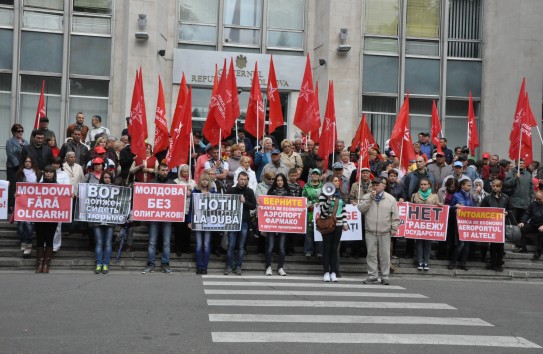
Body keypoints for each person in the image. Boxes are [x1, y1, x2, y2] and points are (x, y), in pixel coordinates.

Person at [357, 177, 400, 285]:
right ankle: (372, 276)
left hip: (384, 231)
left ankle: (385, 276)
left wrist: (394, 228)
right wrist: (370, 199)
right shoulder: (367, 196)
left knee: (384, 255)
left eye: (377, 185)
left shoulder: (390, 199)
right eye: (373, 185)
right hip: (370, 230)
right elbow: (360, 209)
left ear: (383, 186)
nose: (375, 186)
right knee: (371, 255)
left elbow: (395, 215)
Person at [142, 163, 176, 274]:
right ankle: (150, 263)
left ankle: (165, 264)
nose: (165, 172)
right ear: (158, 170)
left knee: (166, 243)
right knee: (152, 242)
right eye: (162, 170)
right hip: (154, 217)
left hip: (167, 218)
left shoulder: (173, 184)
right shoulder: (151, 183)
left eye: (166, 170)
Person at [401, 155, 436, 258]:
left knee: (425, 231)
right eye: (417, 161)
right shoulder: (410, 175)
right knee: (411, 229)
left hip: (426, 206)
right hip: (413, 204)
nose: (418, 163)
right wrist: (405, 198)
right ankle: (410, 252)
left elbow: (433, 189)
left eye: (420, 161)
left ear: (425, 162)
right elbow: (404, 188)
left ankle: (425, 254)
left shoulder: (430, 176)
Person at [318, 175, 349, 282]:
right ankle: (326, 272)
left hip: (339, 224)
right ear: (329, 183)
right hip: (327, 224)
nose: (337, 183)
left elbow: (343, 210)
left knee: (335, 249)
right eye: (335, 181)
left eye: (338, 181)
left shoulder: (340, 195)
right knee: (327, 248)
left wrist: (345, 222)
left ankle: (333, 272)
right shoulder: (323, 195)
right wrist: (328, 200)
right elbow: (323, 212)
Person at [225, 172, 256, 275]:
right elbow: (225, 203)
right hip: (233, 222)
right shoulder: (231, 190)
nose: (243, 181)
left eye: (245, 179)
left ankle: (238, 266)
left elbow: (253, 206)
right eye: (241, 179)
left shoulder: (250, 191)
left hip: (244, 222)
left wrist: (245, 201)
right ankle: (228, 266)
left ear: (247, 180)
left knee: (241, 246)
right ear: (237, 179)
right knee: (231, 245)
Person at [411, 177, 441, 271]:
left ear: (429, 185)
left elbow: (439, 208)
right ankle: (420, 261)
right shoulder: (414, 195)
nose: (423, 186)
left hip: (429, 224)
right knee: (419, 243)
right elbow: (410, 207)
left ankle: (426, 261)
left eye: (425, 184)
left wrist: (440, 205)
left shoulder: (434, 196)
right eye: (421, 184)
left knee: (428, 243)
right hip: (418, 223)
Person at [188, 173, 216, 275]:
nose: (205, 182)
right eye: (203, 180)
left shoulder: (213, 191)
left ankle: (205, 266)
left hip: (208, 221)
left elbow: (219, 203)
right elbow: (191, 208)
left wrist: (212, 196)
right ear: (200, 181)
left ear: (209, 182)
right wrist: (189, 221)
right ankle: (199, 266)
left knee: (206, 244)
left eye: (206, 180)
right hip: (198, 220)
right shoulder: (195, 191)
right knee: (199, 244)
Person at [481, 179, 511, 271]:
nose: (495, 188)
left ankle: (499, 263)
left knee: (500, 246)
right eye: (494, 186)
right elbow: (482, 210)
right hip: (491, 224)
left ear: (501, 187)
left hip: (501, 225)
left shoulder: (506, 197)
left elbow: (510, 209)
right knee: (493, 246)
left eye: (497, 186)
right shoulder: (487, 198)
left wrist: (507, 213)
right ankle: (493, 263)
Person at [264, 173, 291, 276]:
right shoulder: (270, 192)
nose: (280, 182)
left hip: (283, 224)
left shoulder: (288, 193)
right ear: (275, 181)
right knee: (270, 247)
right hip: (272, 223)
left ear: (284, 181)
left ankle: (280, 267)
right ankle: (268, 267)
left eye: (281, 180)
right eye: (278, 180)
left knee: (281, 247)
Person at [33, 165, 58, 273]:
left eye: (50, 172)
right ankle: (40, 262)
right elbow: (30, 197)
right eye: (46, 172)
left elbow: (63, 200)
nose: (48, 173)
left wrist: (69, 195)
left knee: (49, 239)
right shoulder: (38, 186)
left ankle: (46, 263)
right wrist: (19, 195)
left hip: (52, 218)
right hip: (40, 217)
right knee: (39, 239)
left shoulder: (59, 187)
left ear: (54, 173)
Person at [90, 170, 116, 274]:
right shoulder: (95, 189)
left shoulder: (116, 190)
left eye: (109, 178)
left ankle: (105, 264)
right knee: (99, 242)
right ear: (102, 178)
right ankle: (99, 264)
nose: (107, 179)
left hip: (110, 219)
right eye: (105, 177)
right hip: (97, 219)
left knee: (108, 243)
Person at [448, 179, 477, 270]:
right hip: (459, 223)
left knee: (467, 244)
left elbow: (475, 209)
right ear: (462, 186)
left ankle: (463, 263)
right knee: (461, 243)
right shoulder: (456, 196)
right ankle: (453, 262)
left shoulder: (471, 197)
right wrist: (455, 207)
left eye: (470, 186)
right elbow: (449, 208)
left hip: (469, 223)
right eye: (468, 185)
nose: (470, 187)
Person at [505, 159, 534, 247]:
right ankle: (513, 241)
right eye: (519, 163)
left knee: (522, 224)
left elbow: (531, 188)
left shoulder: (528, 174)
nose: (521, 164)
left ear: (525, 164)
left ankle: (521, 242)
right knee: (513, 224)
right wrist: (515, 178)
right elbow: (506, 184)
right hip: (514, 203)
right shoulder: (511, 172)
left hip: (525, 204)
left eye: (523, 163)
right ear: (516, 163)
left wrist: (531, 200)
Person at [16, 157, 40, 257]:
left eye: (30, 161)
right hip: (22, 201)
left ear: (32, 163)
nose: (28, 163)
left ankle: (28, 244)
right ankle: (23, 242)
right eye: (26, 161)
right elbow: (16, 186)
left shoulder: (38, 173)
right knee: (21, 225)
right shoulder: (20, 173)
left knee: (29, 224)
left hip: (33, 201)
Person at [48, 157, 71, 253]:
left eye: (57, 163)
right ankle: (47, 243)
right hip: (47, 203)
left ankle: (56, 245)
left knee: (57, 226)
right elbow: (40, 185)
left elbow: (67, 187)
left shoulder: (64, 174)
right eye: (53, 163)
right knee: (46, 226)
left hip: (59, 203)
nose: (55, 165)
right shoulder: (47, 172)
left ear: (60, 164)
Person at [173, 164, 196, 256]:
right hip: (179, 210)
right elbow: (174, 196)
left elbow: (197, 195)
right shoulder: (176, 182)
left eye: (187, 171)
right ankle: (178, 248)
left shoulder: (193, 182)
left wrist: (192, 191)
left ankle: (186, 247)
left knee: (187, 230)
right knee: (179, 230)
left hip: (189, 210)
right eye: (184, 171)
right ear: (180, 172)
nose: (186, 173)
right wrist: (185, 192)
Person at [6, 124, 29, 213]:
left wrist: (26, 165)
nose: (20, 133)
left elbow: (28, 154)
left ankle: (20, 205)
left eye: (22, 131)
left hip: (23, 167)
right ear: (14, 132)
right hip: (13, 167)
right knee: (13, 187)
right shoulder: (10, 141)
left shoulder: (26, 142)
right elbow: (10, 155)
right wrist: (18, 165)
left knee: (22, 186)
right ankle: (11, 206)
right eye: (18, 131)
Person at [302, 168, 323, 257]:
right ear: (311, 175)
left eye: (317, 174)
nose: (315, 175)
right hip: (310, 212)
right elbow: (304, 197)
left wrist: (320, 203)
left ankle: (319, 251)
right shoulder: (306, 186)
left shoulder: (323, 186)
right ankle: (308, 250)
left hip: (320, 212)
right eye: (313, 174)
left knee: (320, 230)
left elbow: (326, 197)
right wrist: (311, 204)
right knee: (309, 231)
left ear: (319, 176)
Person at [516, 190, 543, 259]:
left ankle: (539, 250)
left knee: (541, 232)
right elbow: (527, 213)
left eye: (539, 199)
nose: (537, 200)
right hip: (533, 224)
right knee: (523, 228)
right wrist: (522, 221)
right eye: (536, 198)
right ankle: (523, 248)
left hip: (542, 226)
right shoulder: (533, 204)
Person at [437, 177, 459, 260]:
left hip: (454, 215)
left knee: (452, 236)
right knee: (443, 235)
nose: (451, 188)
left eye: (453, 187)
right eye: (450, 187)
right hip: (443, 214)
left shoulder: (458, 192)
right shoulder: (441, 191)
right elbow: (438, 200)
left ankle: (451, 254)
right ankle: (441, 253)